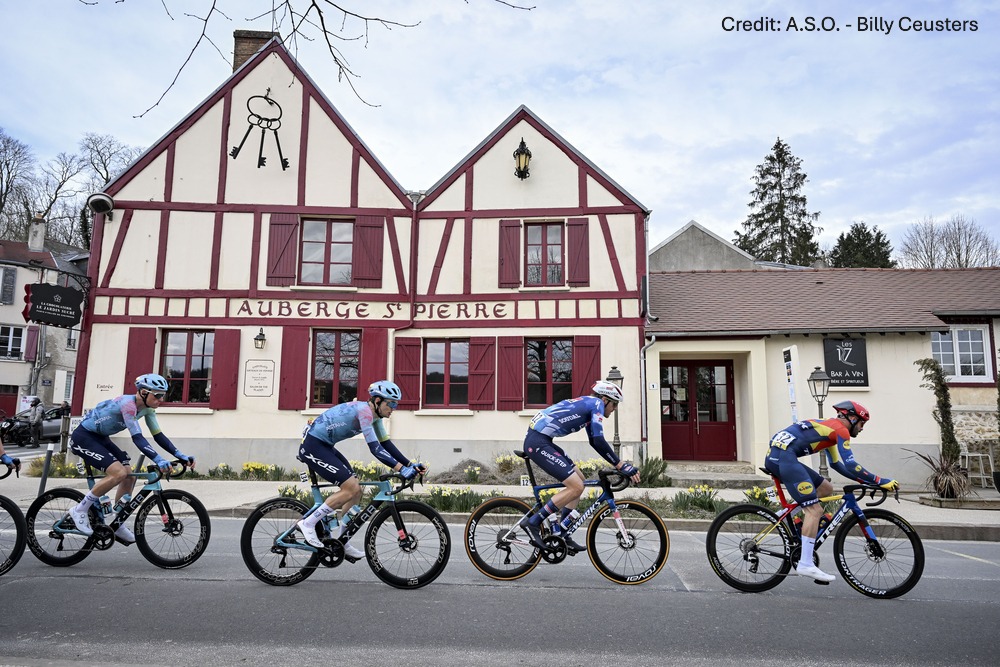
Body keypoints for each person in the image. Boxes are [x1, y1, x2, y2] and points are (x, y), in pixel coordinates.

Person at [763, 400, 898, 583]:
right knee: (815, 510)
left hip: (781, 455)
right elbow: (851, 464)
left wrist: (867, 482)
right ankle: (806, 564)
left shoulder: (830, 428)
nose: (862, 428)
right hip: (784, 458)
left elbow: (837, 465)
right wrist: (880, 481)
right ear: (851, 418)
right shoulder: (840, 431)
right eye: (861, 423)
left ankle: (786, 514)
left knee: (826, 488)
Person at [295, 380, 426, 559]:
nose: (394, 408)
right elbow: (375, 449)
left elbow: (385, 444)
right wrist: (401, 469)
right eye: (392, 403)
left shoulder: (375, 417)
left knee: (356, 491)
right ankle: (308, 524)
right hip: (313, 446)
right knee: (351, 488)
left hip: (325, 446)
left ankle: (343, 540)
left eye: (396, 404)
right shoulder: (365, 412)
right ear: (378, 401)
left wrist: (409, 465)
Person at [66, 374, 195, 544]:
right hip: (84, 437)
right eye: (157, 395)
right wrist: (158, 459)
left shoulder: (148, 409)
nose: (161, 399)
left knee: (128, 475)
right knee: (118, 473)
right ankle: (79, 510)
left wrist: (180, 455)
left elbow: (158, 436)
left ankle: (117, 522)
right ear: (143, 392)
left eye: (163, 395)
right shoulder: (128, 405)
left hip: (101, 438)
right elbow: (138, 438)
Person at [521, 381, 640, 553]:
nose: (614, 409)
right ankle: (533, 522)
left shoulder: (590, 404)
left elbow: (594, 440)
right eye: (614, 404)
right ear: (605, 400)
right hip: (538, 443)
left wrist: (617, 463)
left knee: (581, 481)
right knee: (576, 486)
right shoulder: (597, 404)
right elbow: (599, 440)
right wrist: (621, 464)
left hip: (543, 440)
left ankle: (563, 532)